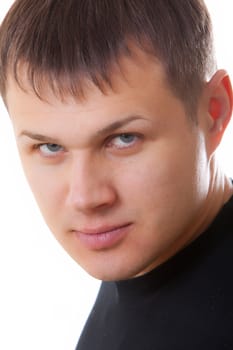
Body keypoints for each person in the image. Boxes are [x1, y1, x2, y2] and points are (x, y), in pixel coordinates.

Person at [0, 0, 233, 349]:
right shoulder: (148, 257)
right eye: (50, 147)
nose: (86, 197)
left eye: (124, 139)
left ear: (213, 113)